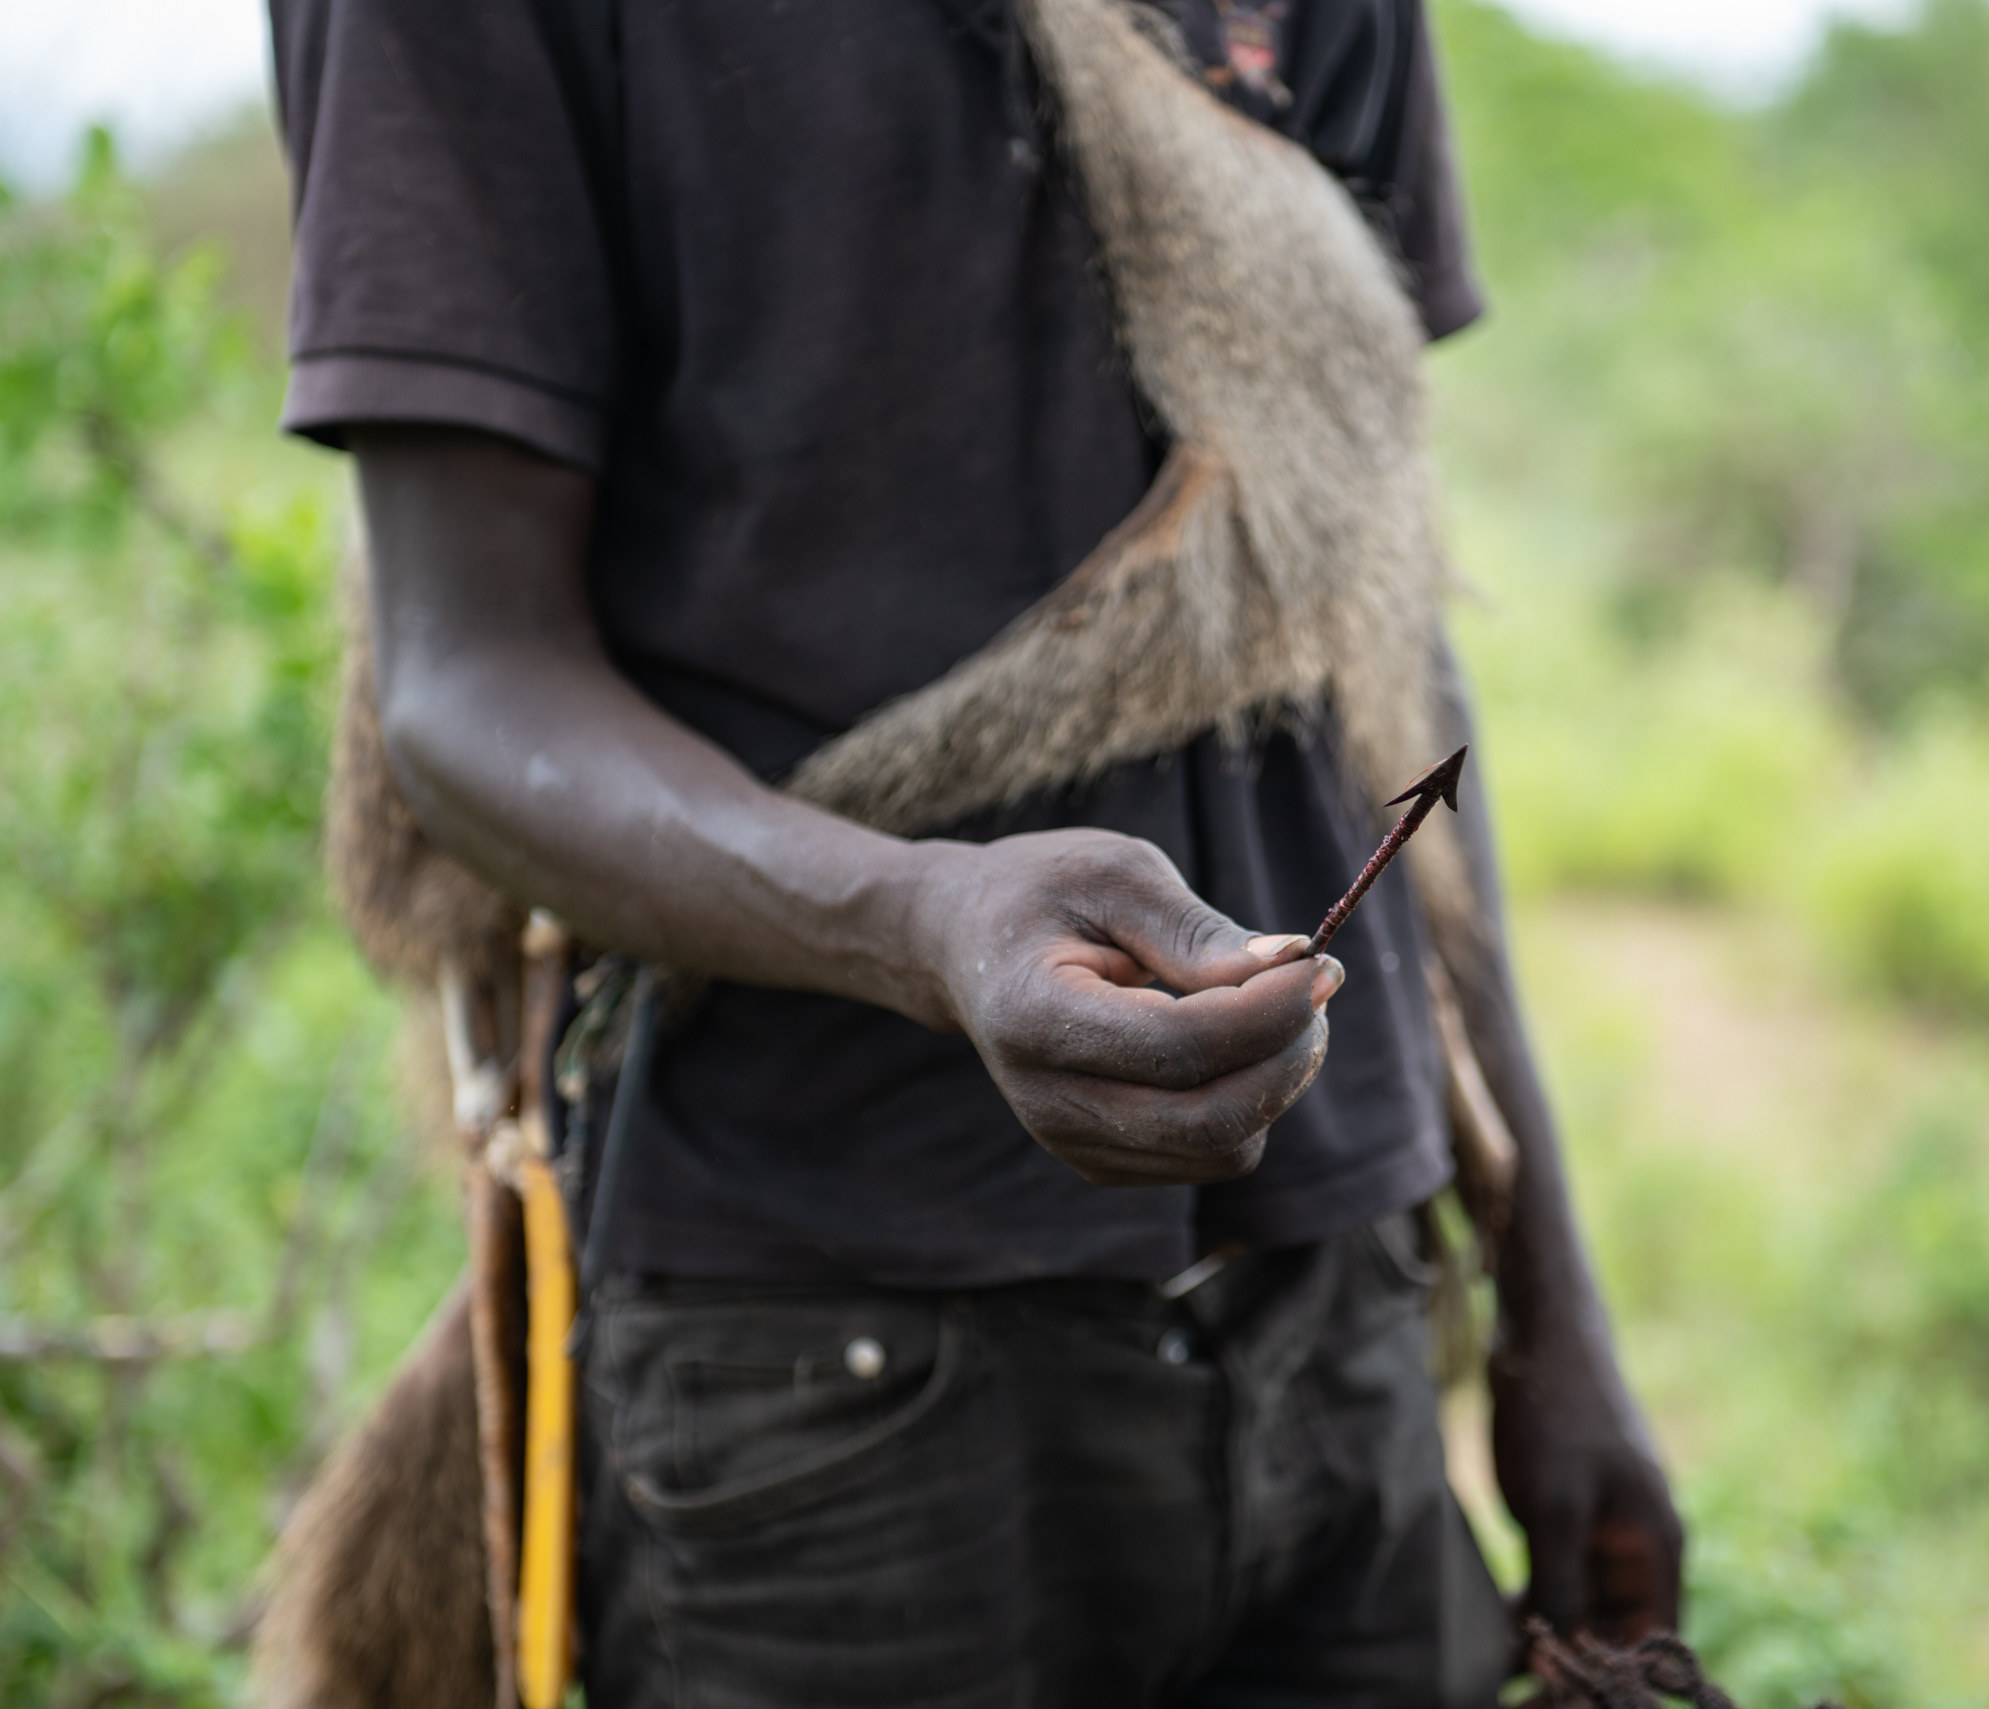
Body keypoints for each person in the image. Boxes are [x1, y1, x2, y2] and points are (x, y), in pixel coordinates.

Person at [262, 0, 1682, 1702]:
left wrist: (1553, 1312)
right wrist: (919, 924)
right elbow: (468, 682)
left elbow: (1365, 607)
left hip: (1348, 1303)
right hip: (824, 1365)